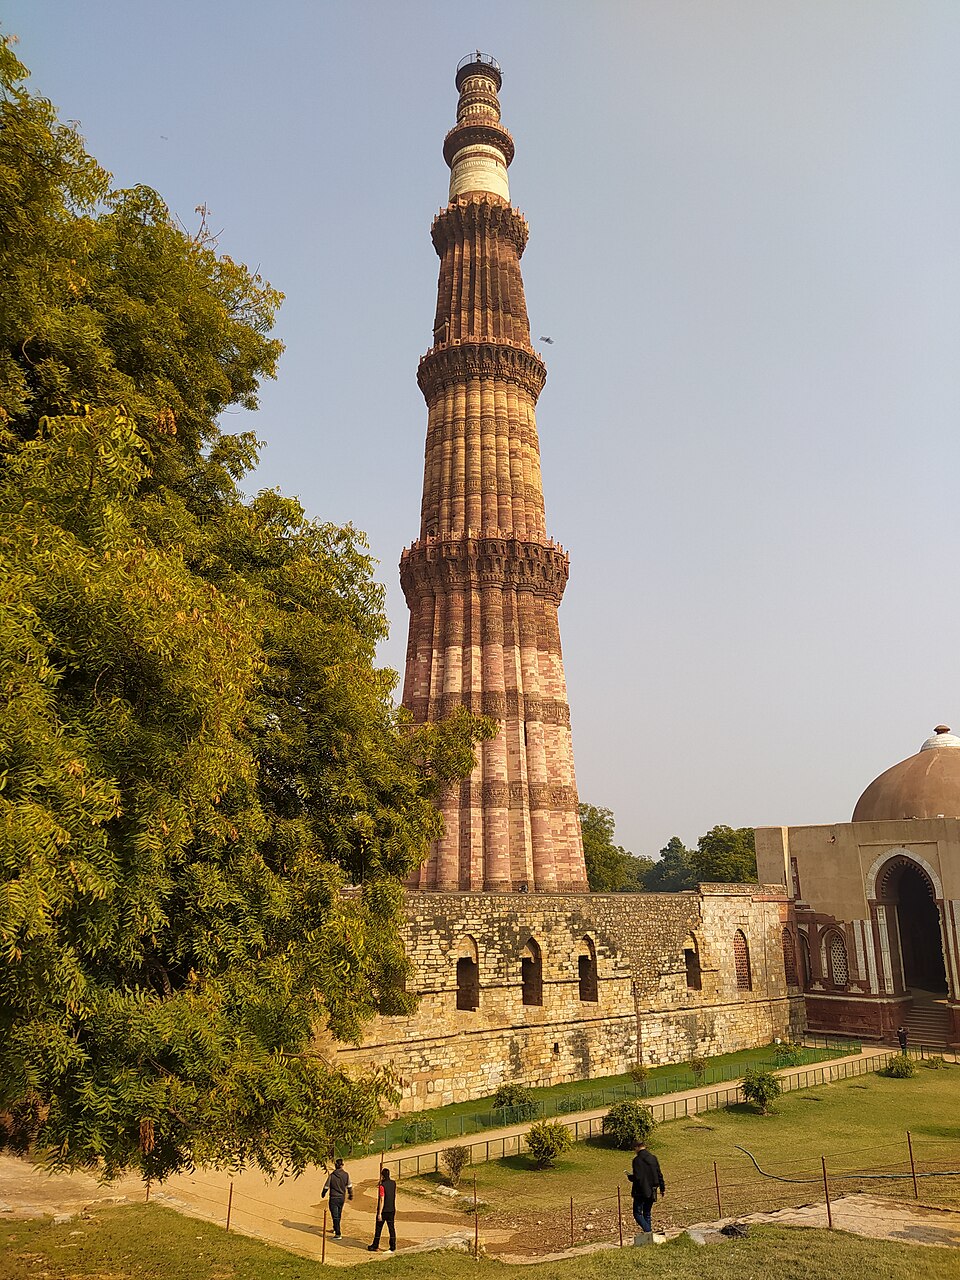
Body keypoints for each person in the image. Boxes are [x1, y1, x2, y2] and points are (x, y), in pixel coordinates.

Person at [628, 1140, 665, 1235]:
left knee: (637, 1213)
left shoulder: (636, 1160)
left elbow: (637, 1177)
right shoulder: (653, 1158)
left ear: (637, 1147)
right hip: (652, 1189)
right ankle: (649, 1236)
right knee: (647, 1213)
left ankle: (648, 1231)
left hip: (640, 1190)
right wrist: (662, 1187)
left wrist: (630, 1177)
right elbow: (659, 1174)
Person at [321, 1157, 353, 1239]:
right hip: (341, 1198)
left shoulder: (332, 1176)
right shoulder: (346, 1175)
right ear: (342, 1165)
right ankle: (336, 1228)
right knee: (339, 1214)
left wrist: (323, 1193)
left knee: (334, 1215)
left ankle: (338, 1233)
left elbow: (326, 1186)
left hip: (333, 1198)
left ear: (335, 1166)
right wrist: (350, 1194)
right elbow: (349, 1186)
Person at [368, 1167, 397, 1252]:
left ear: (382, 1176)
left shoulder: (382, 1186)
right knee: (391, 1228)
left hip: (384, 1210)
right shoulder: (393, 1183)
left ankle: (375, 1245)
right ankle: (393, 1246)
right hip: (392, 1209)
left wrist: (379, 1213)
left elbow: (382, 1199)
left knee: (378, 1228)